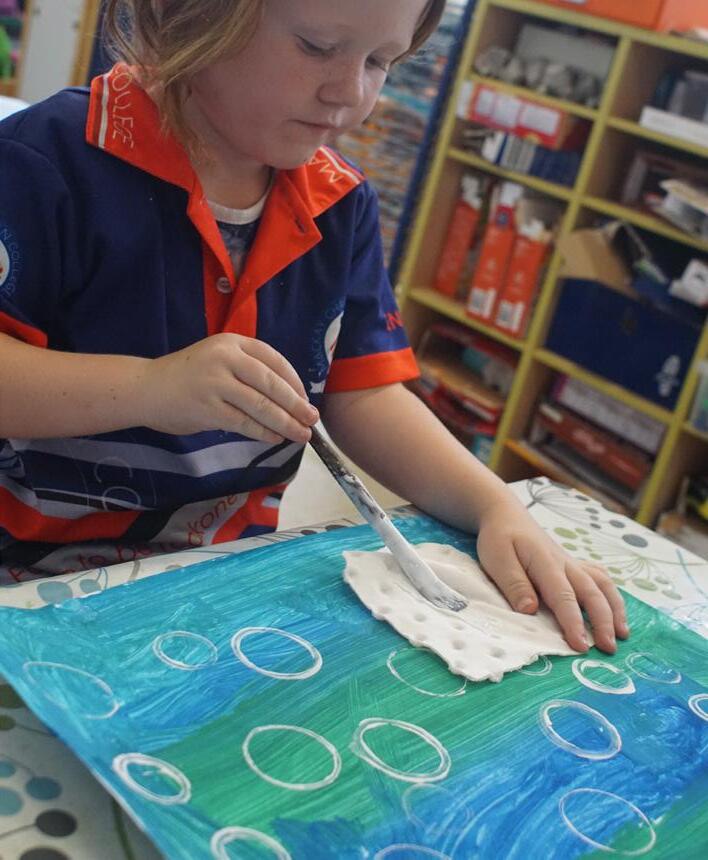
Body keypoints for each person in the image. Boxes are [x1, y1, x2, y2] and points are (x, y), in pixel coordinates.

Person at [0, 0, 628, 653]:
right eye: (318, 46)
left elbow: (364, 394)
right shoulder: (44, 161)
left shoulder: (341, 203)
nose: (350, 93)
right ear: (193, 15)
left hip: (214, 581)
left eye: (381, 61)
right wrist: (151, 388)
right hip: (25, 581)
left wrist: (493, 507)